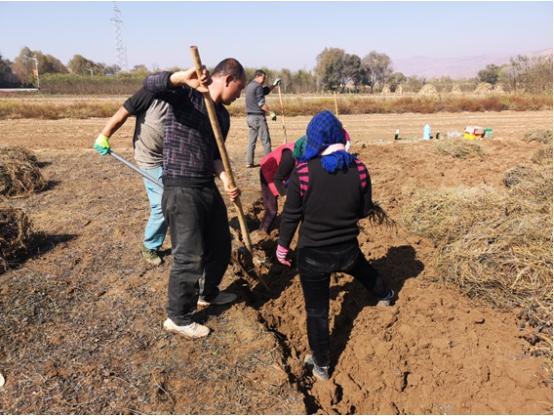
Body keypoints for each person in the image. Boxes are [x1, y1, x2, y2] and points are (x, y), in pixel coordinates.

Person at [276, 110, 394, 381]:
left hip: (313, 256)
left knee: (317, 311)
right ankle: (386, 295)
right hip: (347, 250)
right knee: (364, 270)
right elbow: (364, 211)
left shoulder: (302, 173)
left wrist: (283, 247)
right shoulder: (360, 169)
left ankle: (322, 365)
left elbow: (291, 216)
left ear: (314, 139)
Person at [142, 59, 246, 339]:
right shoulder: (185, 95)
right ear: (227, 79)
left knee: (221, 245)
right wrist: (180, 77)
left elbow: (215, 155)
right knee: (189, 255)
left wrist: (226, 182)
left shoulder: (222, 116)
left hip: (205, 185)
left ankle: (207, 292)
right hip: (180, 185)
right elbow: (149, 84)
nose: (239, 96)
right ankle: (178, 317)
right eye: (239, 88)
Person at [94, 88, 172, 266]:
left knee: (178, 199)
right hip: (149, 158)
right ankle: (150, 245)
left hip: (173, 157)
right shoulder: (150, 93)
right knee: (162, 204)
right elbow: (122, 112)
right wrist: (104, 135)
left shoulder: (186, 96)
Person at [258, 136, 306, 234]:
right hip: (270, 172)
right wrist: (284, 195)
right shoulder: (289, 156)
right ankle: (262, 232)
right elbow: (277, 178)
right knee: (272, 209)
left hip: (285, 173)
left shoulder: (305, 157)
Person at [244, 70, 281, 168]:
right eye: (263, 78)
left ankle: (249, 162)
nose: (264, 80)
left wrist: (274, 85)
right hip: (258, 117)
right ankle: (269, 162)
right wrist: (271, 112)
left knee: (251, 141)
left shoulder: (250, 86)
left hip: (250, 118)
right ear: (258, 76)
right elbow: (261, 104)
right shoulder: (258, 87)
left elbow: (265, 91)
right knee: (266, 141)